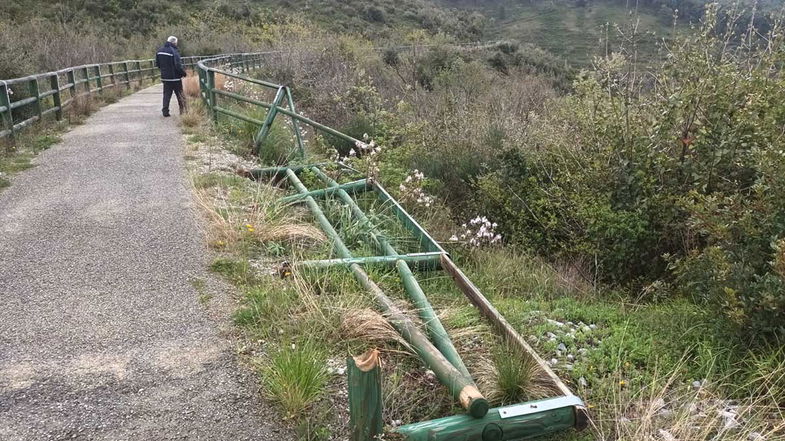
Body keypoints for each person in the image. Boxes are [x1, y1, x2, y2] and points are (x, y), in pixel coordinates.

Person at [155, 36, 187, 117]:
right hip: (175, 78)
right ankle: (183, 111)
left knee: (166, 94)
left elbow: (157, 64)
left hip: (165, 77)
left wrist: (164, 71)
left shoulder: (159, 51)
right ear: (174, 42)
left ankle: (165, 111)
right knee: (180, 94)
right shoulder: (174, 51)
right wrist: (183, 73)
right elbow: (177, 65)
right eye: (176, 43)